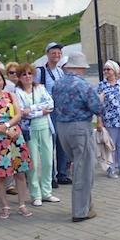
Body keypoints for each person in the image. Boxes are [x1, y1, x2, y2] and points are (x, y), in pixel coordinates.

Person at [51, 52, 101, 222]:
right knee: (83, 171)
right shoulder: (83, 85)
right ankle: (80, 211)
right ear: (79, 68)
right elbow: (97, 108)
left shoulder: (57, 84)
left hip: (62, 128)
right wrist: (101, 99)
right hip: (80, 128)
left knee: (78, 167)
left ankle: (86, 205)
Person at [0, 68, 33, 219]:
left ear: (3, 81)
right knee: (0, 175)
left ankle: (22, 204)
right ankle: (5, 205)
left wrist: (8, 127)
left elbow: (18, 114)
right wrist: (2, 130)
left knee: (20, 172)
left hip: (14, 136)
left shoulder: (11, 95)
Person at [15, 63, 60, 206]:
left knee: (48, 161)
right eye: (24, 74)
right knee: (32, 163)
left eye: (29, 73)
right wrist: (40, 111)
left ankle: (47, 192)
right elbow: (22, 112)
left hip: (45, 127)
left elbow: (50, 104)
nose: (27, 76)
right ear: (19, 77)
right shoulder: (18, 92)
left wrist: (33, 109)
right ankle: (36, 194)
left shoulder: (40, 87)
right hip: (30, 130)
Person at [35, 42, 70, 187]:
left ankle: (62, 173)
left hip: (61, 110)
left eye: (59, 53)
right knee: (49, 143)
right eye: (53, 52)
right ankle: (50, 177)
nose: (56, 55)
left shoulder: (60, 72)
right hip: (48, 112)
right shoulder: (40, 71)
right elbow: (35, 90)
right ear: (47, 54)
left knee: (62, 143)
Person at [97, 60, 120, 179]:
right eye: (105, 69)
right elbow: (98, 105)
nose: (106, 71)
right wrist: (99, 120)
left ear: (115, 71)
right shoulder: (102, 85)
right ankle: (110, 169)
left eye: (109, 69)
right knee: (110, 146)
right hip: (110, 120)